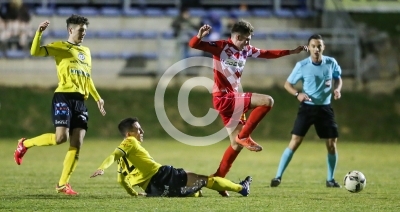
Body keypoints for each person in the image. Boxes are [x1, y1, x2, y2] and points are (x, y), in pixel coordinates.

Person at [188, 20, 306, 196]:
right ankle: (245, 136)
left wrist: (291, 51)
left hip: (232, 100)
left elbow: (267, 53)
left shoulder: (246, 50)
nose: (248, 43)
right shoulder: (221, 46)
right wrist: (199, 36)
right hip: (223, 97)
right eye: (246, 39)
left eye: (250, 39)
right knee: (267, 101)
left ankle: (218, 181)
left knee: (235, 145)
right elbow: (194, 45)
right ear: (236, 36)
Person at [13, 15, 106, 195]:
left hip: (80, 100)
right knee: (60, 138)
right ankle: (25, 144)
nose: (83, 34)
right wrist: (39, 33)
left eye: (85, 31)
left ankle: (63, 184)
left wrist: (97, 97)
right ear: (71, 30)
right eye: (80, 31)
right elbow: (35, 52)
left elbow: (87, 77)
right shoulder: (60, 47)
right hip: (63, 96)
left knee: (76, 143)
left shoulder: (86, 51)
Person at [90, 117, 252, 197]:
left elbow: (121, 180)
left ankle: (194, 192)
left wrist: (133, 194)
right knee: (204, 180)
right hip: (161, 175)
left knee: (191, 190)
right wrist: (101, 168)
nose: (142, 132)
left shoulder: (124, 158)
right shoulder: (129, 142)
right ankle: (241, 188)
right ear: (128, 134)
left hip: (152, 189)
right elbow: (114, 154)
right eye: (138, 129)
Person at [270, 34, 342, 188]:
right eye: (313, 46)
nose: (316, 49)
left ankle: (330, 179)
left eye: (319, 46)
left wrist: (337, 89)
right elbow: (287, 84)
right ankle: (277, 177)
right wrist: (298, 94)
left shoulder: (331, 62)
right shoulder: (302, 65)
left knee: (332, 143)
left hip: (325, 108)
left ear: (324, 47)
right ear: (308, 47)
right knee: (295, 141)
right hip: (307, 108)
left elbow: (338, 78)